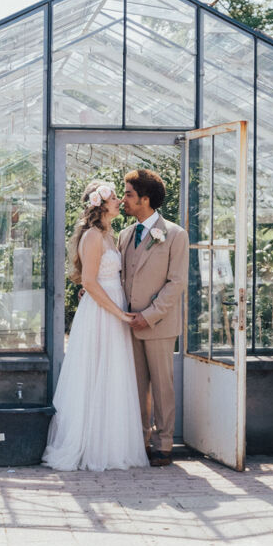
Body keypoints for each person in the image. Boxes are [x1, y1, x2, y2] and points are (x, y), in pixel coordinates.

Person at [42, 180, 148, 471]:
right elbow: (89, 281)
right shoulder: (92, 236)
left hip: (111, 307)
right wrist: (119, 312)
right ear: (100, 205)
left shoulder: (109, 235)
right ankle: (89, 446)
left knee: (112, 374)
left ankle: (110, 444)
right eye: (114, 198)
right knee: (94, 374)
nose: (119, 202)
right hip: (102, 312)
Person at [119, 169, 188, 467]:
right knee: (135, 386)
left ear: (145, 199)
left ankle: (164, 444)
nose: (123, 199)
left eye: (129, 194)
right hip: (126, 323)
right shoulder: (124, 234)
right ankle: (141, 441)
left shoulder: (174, 235)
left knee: (162, 387)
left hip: (158, 324)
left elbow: (176, 283)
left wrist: (149, 315)